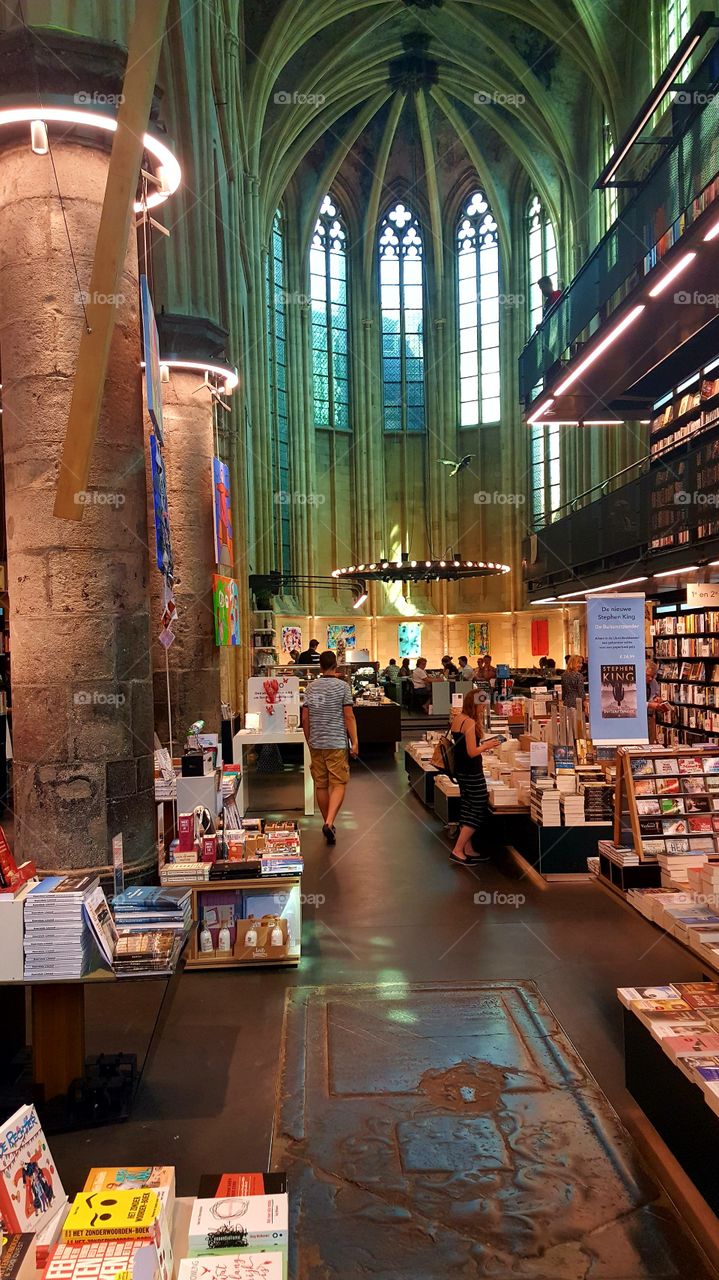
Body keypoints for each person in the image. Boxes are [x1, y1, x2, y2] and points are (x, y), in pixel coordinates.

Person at [301, 650, 358, 845]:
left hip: (317, 742)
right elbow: (349, 716)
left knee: (321, 784)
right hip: (336, 743)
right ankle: (330, 821)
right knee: (339, 783)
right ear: (336, 665)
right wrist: (355, 741)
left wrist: (309, 740)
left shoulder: (310, 688)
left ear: (320, 667)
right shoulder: (343, 687)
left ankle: (328, 823)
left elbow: (305, 718)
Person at [448, 690, 501, 865]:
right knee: (477, 806)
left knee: (467, 805)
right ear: (475, 704)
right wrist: (487, 745)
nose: (484, 707)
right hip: (472, 771)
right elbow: (471, 751)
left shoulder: (458, 718)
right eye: (482, 704)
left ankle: (467, 848)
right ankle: (457, 849)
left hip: (461, 771)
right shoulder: (469, 722)